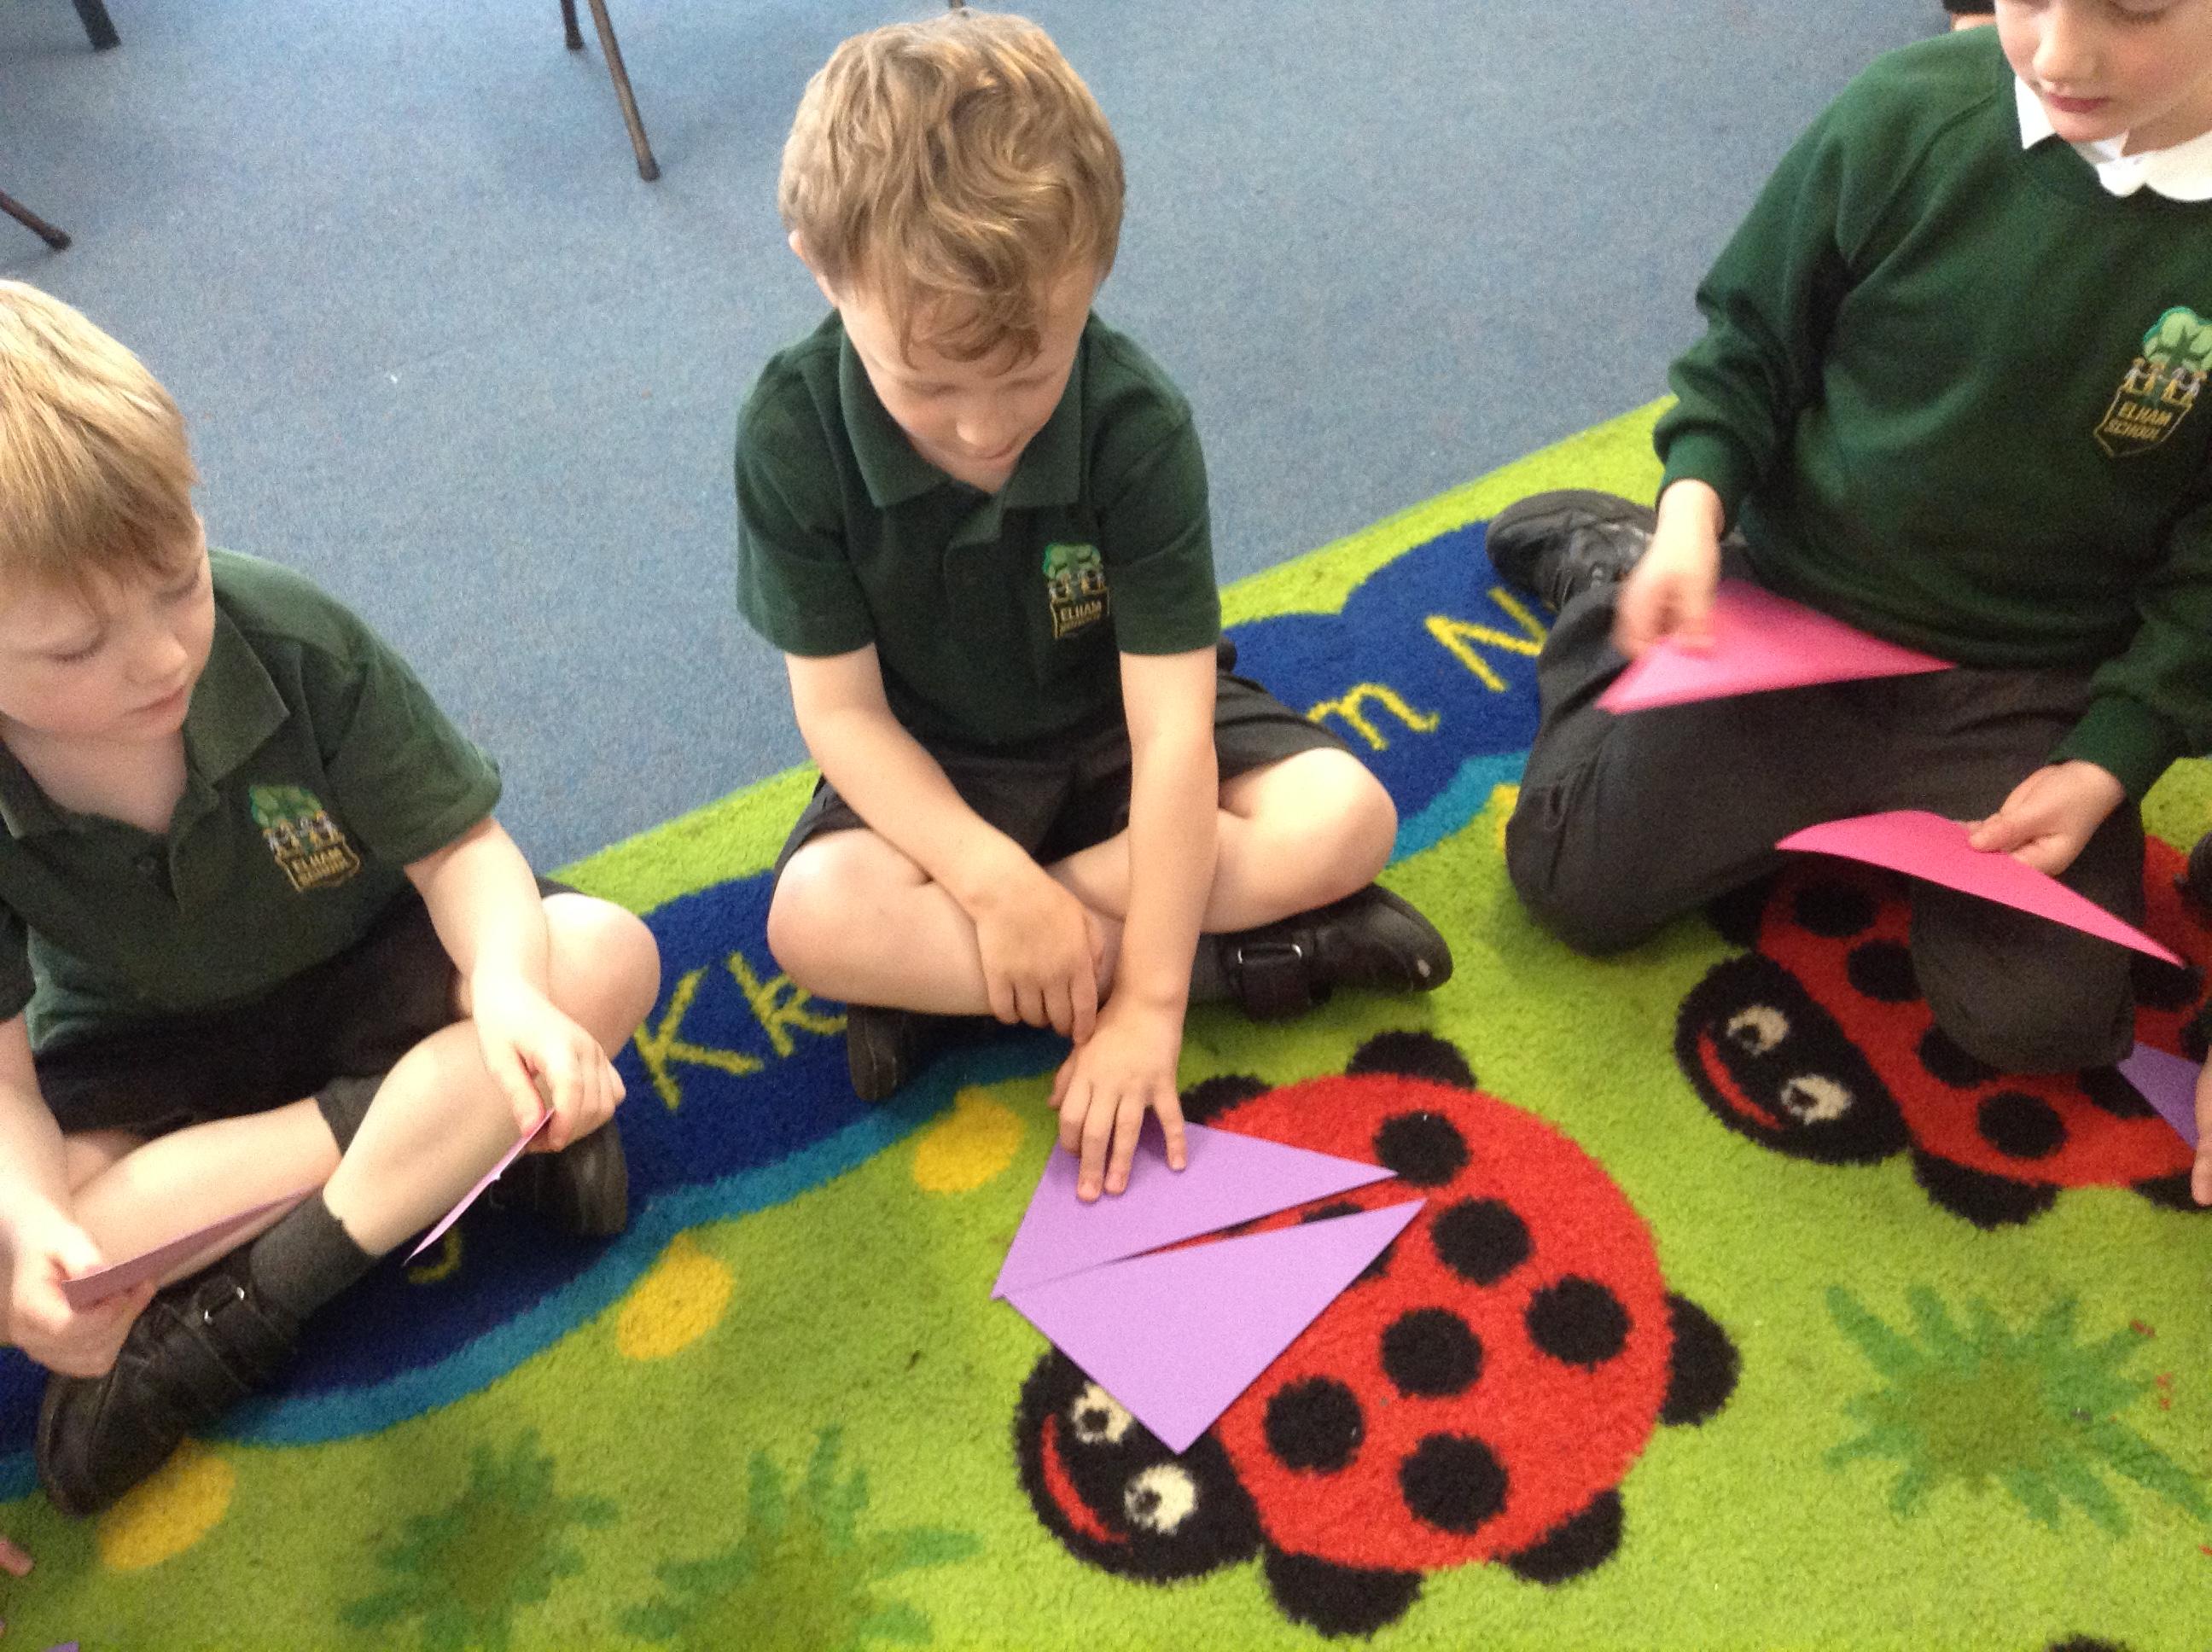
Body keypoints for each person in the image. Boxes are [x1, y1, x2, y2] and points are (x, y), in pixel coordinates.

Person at [736, 9, 1451, 1201]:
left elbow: (1172, 734)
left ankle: (976, 985)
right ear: (819, 263)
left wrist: (1150, 1009)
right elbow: (845, 718)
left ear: (1099, 268)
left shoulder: (1135, 424)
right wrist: (991, 881)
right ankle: (1255, 954)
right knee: (812, 922)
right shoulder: (789, 434)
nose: (984, 428)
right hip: (942, 763)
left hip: (1125, 735)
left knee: (1347, 821)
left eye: (1028, 373)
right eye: (928, 385)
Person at [0, 281, 663, 1517]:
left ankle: (265, 1293)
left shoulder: (294, 639)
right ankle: (462, 1143)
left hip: (377, 967)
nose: (162, 656)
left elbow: (462, 855)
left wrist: (507, 991)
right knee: (36, 1239)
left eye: (179, 580)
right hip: (152, 1053)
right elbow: (5, 1089)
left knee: (602, 954)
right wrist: (35, 1222)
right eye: (78, 648)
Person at [1487, 5, 2212, 1103]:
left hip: (2028, 688)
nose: (2060, 53)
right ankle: (1615, 567)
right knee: (1570, 876)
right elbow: (1748, 344)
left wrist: (2110, 758)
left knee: (2046, 1022)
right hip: (1796, 618)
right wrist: (1692, 513)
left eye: (2135, 6)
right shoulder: (1909, 112)